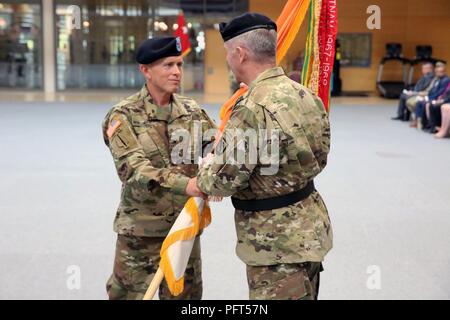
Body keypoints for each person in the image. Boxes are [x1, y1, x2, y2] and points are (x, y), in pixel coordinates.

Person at [194, 13, 333, 300]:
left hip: (274, 242)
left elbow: (221, 182)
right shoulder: (305, 95)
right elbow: (321, 156)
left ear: (240, 54)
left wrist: (208, 168)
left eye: (228, 54)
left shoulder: (251, 107)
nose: (228, 61)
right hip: (310, 228)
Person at [102, 37, 216, 300]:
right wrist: (187, 184)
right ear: (146, 70)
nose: (176, 72)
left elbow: (216, 147)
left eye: (179, 64)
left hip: (184, 229)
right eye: (167, 65)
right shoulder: (123, 116)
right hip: (141, 234)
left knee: (186, 300)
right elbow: (133, 169)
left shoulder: (191, 111)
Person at [411, 61, 449, 129]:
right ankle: (420, 121)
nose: (437, 73)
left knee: (427, 104)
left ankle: (430, 125)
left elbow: (439, 93)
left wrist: (429, 98)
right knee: (420, 103)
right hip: (433, 97)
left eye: (440, 72)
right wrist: (427, 97)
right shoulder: (438, 79)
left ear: (444, 72)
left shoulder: (445, 80)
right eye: (437, 72)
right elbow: (432, 90)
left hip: (438, 98)